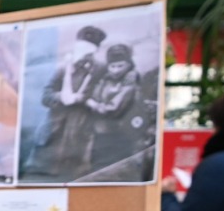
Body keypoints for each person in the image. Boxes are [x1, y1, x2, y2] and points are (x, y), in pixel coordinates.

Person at [23, 25, 105, 180]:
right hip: (50, 139)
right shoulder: (63, 68)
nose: (84, 55)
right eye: (81, 48)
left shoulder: (100, 69)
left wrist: (85, 100)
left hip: (77, 143)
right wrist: (61, 97)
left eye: (89, 51)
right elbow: (46, 96)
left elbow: (104, 99)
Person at [84, 43, 142, 175]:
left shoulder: (131, 82)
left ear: (128, 64)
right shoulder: (105, 79)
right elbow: (94, 94)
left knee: (114, 174)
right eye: (112, 66)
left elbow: (113, 109)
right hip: (100, 134)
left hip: (119, 136)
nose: (116, 70)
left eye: (120, 66)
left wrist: (93, 104)